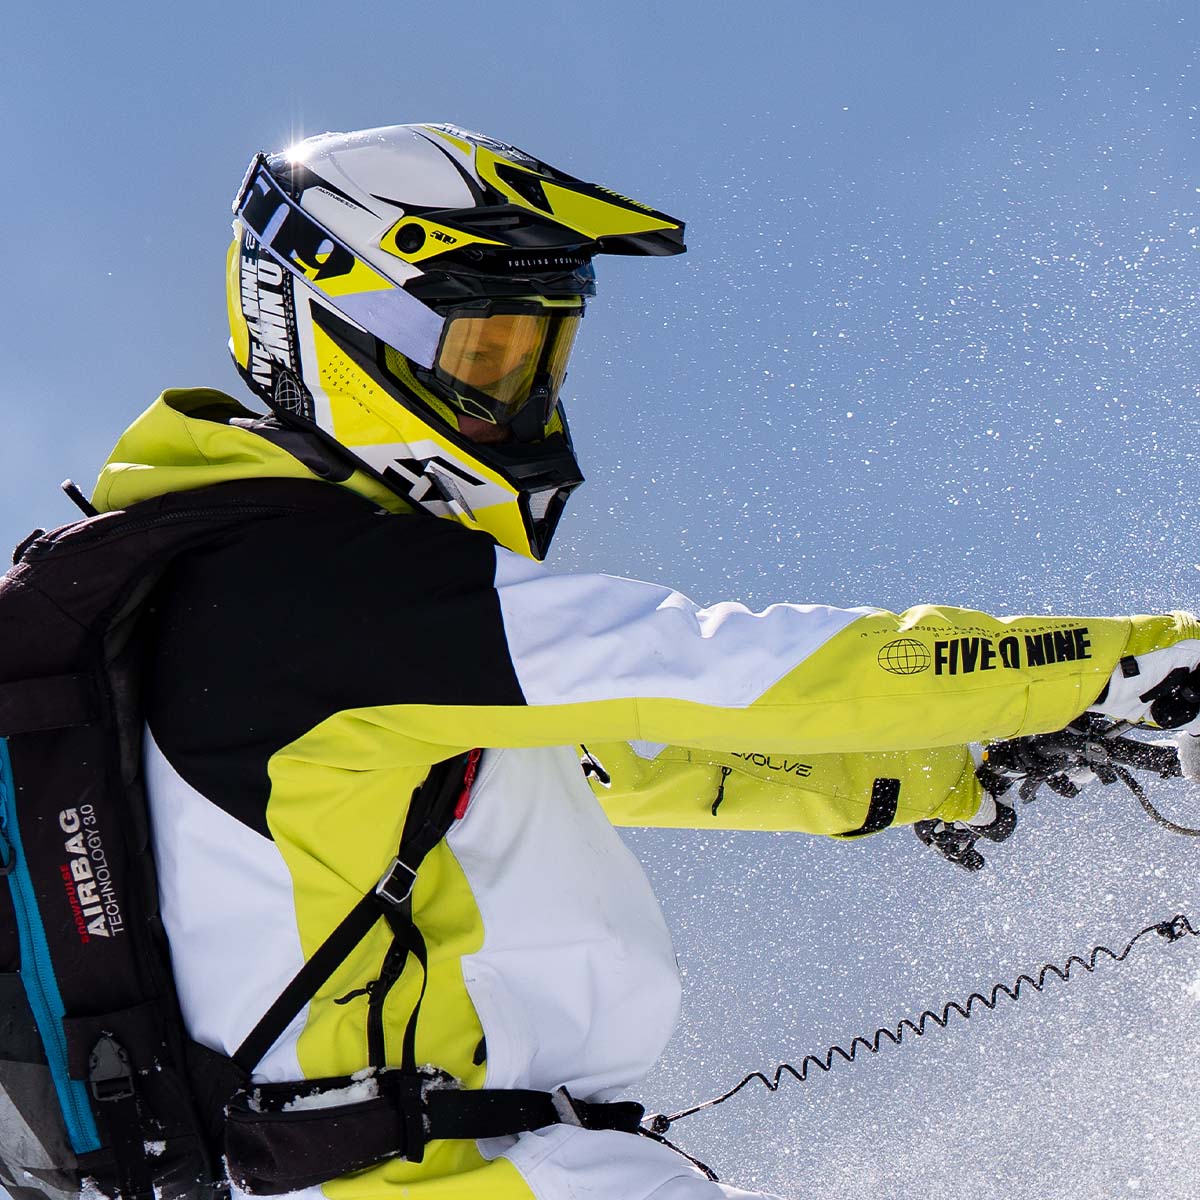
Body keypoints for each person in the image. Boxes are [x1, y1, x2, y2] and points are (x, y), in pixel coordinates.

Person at [92, 123, 1200, 1200]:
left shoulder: (279, 602)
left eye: (542, 355)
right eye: (487, 353)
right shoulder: (320, 591)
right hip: (442, 1177)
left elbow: (626, 760)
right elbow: (715, 668)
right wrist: (1123, 665)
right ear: (336, 332)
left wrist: (956, 767)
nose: (524, 400)